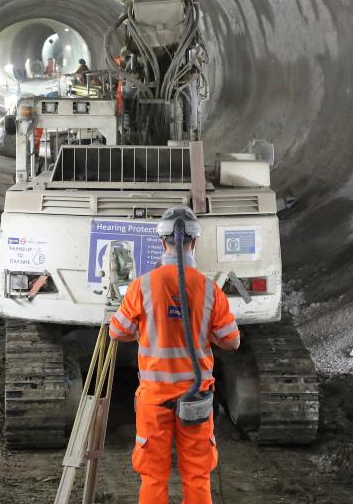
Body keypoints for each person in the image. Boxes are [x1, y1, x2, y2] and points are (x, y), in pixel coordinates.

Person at [109, 205, 240, 504]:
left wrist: (144, 328)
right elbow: (231, 342)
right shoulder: (210, 290)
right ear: (194, 242)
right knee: (197, 474)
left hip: (154, 399)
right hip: (196, 399)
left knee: (153, 475)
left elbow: (117, 332)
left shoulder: (141, 286)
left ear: (161, 242)